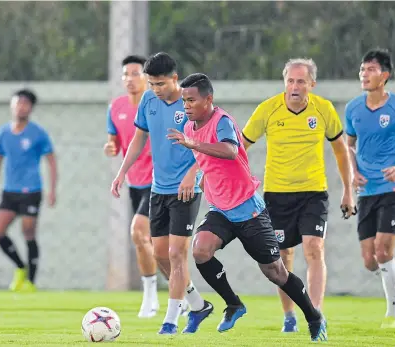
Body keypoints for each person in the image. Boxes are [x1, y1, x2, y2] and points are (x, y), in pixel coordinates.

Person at [167, 72, 327, 342]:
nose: (186, 106)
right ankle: (234, 304)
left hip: (248, 209)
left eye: (191, 100)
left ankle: (313, 316)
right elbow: (206, 160)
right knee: (201, 250)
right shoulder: (189, 129)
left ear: (208, 99)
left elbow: (230, 150)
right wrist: (199, 176)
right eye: (184, 101)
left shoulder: (222, 121)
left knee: (275, 272)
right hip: (220, 210)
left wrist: (193, 145)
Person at [241, 58, 355, 332]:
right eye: (290, 81)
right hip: (277, 194)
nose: (295, 86)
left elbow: (341, 151)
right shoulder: (267, 110)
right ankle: (290, 314)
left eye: (301, 81)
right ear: (284, 83)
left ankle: (315, 316)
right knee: (281, 257)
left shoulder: (324, 109)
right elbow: (239, 148)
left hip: (313, 192)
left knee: (314, 248)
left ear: (311, 84)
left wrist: (349, 191)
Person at [111, 52, 212, 335]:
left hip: (186, 189)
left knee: (177, 253)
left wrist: (193, 175)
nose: (155, 89)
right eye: (152, 84)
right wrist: (121, 172)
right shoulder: (148, 100)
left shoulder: (191, 102)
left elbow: (206, 143)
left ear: (175, 79)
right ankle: (197, 304)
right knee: (160, 254)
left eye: (160, 84)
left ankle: (170, 321)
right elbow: (138, 138)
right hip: (159, 188)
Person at [345, 49, 395, 328]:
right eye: (362, 69)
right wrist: (353, 172)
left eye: (370, 69)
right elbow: (348, 144)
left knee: (383, 252)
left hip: (393, 190)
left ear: (385, 75)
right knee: (369, 261)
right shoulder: (353, 108)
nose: (364, 74)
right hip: (366, 193)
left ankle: (392, 315)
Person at [0, 89, 57, 293]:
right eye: (18, 103)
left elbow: (51, 161)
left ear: (31, 108)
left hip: (31, 190)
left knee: (29, 232)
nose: (21, 107)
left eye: (25, 104)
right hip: (9, 191)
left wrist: (52, 190)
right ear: (12, 106)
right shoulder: (3, 133)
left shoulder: (38, 133)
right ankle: (20, 267)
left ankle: (31, 281)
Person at [103, 55, 160, 318]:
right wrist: (111, 146)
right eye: (126, 74)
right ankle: (178, 296)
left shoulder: (159, 105)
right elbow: (114, 141)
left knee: (139, 232)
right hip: (135, 183)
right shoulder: (115, 107)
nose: (130, 79)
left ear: (147, 78)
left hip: (161, 182)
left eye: (135, 73)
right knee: (156, 245)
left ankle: (151, 297)